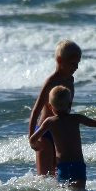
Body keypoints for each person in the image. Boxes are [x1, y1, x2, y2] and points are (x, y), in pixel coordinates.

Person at [29, 85, 96, 190]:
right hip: (77, 164)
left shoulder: (49, 122)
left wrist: (36, 146)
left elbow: (33, 139)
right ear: (70, 104)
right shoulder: (76, 119)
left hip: (62, 166)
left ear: (51, 107)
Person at [29, 40, 82, 176]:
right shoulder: (51, 81)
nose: (76, 67)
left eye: (77, 63)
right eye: (72, 64)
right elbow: (36, 110)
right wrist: (32, 137)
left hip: (60, 132)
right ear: (60, 60)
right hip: (45, 132)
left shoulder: (70, 80)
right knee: (44, 176)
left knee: (58, 174)